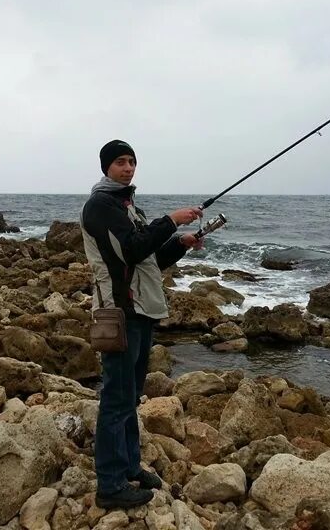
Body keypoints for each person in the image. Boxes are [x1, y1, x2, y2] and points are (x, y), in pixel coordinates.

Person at [81, 139, 204, 509]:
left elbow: (147, 260)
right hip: (120, 312)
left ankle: (129, 465)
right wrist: (170, 220)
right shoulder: (100, 206)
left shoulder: (127, 206)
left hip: (142, 309)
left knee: (130, 397)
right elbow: (132, 249)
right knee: (116, 399)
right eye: (120, 162)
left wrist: (180, 242)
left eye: (132, 161)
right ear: (106, 167)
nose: (128, 167)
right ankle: (109, 484)